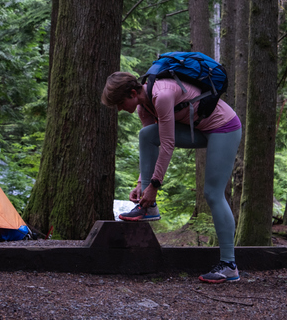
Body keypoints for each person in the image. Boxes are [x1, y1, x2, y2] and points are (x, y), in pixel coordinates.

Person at [101, 71, 242, 283]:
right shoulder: (144, 106)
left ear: (132, 92)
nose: (120, 109)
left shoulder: (162, 95)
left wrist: (154, 186)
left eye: (120, 103)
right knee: (146, 135)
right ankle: (149, 207)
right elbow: (153, 143)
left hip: (224, 127)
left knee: (213, 193)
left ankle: (229, 265)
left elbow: (168, 144)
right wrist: (142, 184)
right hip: (199, 128)